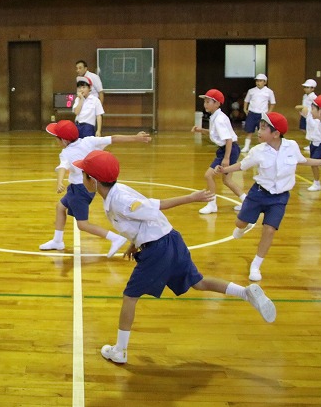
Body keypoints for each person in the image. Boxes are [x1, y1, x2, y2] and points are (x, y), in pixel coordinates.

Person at [70, 150, 276, 365]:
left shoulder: (119, 200)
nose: (82, 177)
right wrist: (134, 244)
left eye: (84, 173)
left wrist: (191, 198)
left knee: (130, 297)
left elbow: (155, 207)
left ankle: (119, 350)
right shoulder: (119, 191)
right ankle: (245, 293)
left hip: (158, 249)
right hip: (170, 239)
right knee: (199, 282)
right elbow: (145, 218)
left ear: (92, 180)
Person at [215, 112, 321, 282]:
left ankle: (256, 265)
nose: (259, 131)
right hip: (258, 194)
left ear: (276, 133)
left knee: (269, 229)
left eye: (264, 128)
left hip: (279, 198)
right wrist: (224, 170)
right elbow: (242, 165)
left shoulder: (292, 146)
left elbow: (303, 161)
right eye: (259, 127)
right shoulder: (257, 150)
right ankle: (241, 227)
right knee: (241, 223)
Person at [40, 120, 151, 256]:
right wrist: (136, 138)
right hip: (85, 187)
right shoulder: (88, 141)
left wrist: (59, 182)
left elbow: (62, 167)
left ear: (63, 140)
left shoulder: (65, 153)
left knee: (82, 224)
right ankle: (57, 241)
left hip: (80, 190)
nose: (56, 141)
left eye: (56, 138)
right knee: (60, 207)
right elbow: (113, 139)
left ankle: (115, 238)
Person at [190, 89, 247, 214]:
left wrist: (226, 158)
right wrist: (201, 130)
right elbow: (214, 134)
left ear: (217, 103)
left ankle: (212, 204)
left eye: (208, 101)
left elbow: (228, 139)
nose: (205, 104)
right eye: (205, 101)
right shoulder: (216, 116)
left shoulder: (219, 119)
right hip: (228, 150)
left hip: (229, 150)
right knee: (227, 180)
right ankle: (247, 203)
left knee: (209, 175)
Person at [295, 102, 321, 191]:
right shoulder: (309, 115)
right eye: (311, 108)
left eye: (313, 109)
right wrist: (306, 107)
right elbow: (297, 107)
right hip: (313, 143)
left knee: (313, 163)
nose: (311, 111)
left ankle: (317, 183)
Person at [242, 74, 276, 153]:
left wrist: (269, 112)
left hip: (262, 114)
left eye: (260, 81)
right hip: (252, 113)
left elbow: (273, 102)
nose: (258, 83)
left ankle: (263, 147)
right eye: (257, 81)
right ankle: (246, 147)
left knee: (262, 131)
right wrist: (245, 109)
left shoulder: (269, 92)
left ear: (265, 82)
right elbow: (246, 100)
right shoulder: (251, 91)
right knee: (249, 130)